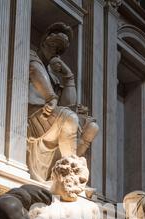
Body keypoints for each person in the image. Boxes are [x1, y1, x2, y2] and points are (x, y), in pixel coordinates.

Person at [27, 22, 99, 181]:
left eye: (59, 50)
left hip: (47, 115)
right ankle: (70, 174)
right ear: (44, 41)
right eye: (53, 46)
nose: (55, 52)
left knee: (91, 127)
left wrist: (68, 76)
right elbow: (34, 71)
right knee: (70, 118)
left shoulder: (51, 75)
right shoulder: (31, 56)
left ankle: (66, 166)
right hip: (32, 115)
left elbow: (67, 104)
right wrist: (50, 97)